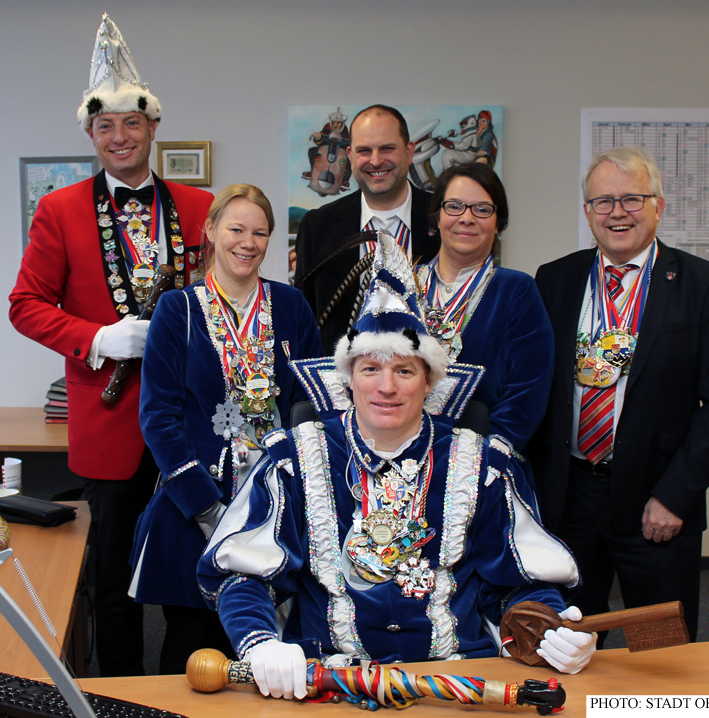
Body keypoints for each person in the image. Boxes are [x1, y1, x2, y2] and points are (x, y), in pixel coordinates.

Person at [198, 233, 596, 701]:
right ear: (347, 380)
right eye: (370, 369)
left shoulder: (482, 463)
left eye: (404, 370)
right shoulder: (293, 461)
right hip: (329, 685)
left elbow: (518, 583)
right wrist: (260, 644)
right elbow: (244, 577)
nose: (386, 387)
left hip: (455, 688)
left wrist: (548, 627)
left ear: (428, 381)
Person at [8, 14, 213, 676]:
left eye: (132, 123)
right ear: (90, 133)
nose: (119, 137)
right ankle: (120, 696)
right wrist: (97, 336)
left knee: (191, 573)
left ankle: (192, 690)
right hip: (108, 423)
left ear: (154, 126)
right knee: (113, 581)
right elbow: (25, 306)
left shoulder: (201, 205)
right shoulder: (60, 209)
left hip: (190, 424)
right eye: (105, 126)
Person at [531, 145, 709, 644]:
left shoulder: (701, 283)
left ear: (658, 206)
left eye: (632, 198)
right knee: (566, 642)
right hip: (569, 497)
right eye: (603, 201)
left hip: (657, 501)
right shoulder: (555, 279)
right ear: (587, 213)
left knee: (660, 649)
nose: (617, 212)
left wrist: (676, 495)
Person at [129, 185, 322, 674]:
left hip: (274, 502)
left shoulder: (292, 306)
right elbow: (158, 416)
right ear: (211, 231)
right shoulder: (179, 309)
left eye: (260, 232)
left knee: (270, 643)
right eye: (236, 229)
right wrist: (206, 508)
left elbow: (310, 402)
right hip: (196, 502)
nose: (248, 242)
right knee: (191, 648)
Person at [416, 163, 553, 490]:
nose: (467, 217)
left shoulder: (517, 290)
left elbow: (527, 390)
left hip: (483, 468)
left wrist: (488, 456)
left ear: (498, 223)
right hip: (402, 458)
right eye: (454, 206)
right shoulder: (402, 284)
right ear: (437, 217)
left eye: (482, 209)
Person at [294, 104, 440, 353]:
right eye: (364, 150)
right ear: (350, 155)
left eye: (387, 148)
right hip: (342, 383)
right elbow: (304, 319)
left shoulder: (443, 218)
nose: (375, 160)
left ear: (409, 151)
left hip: (432, 380)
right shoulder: (318, 226)